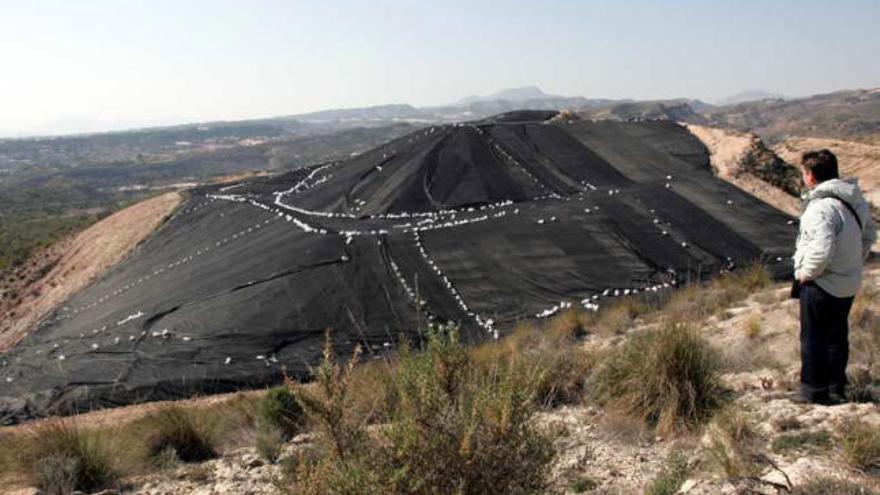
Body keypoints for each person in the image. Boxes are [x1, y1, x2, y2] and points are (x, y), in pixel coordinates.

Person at [793, 149, 876, 405]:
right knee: (836, 337)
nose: (803, 178)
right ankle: (835, 386)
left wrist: (805, 274)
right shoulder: (853, 200)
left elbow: (821, 249)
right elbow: (869, 235)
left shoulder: (821, 207)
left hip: (822, 283)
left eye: (804, 173)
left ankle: (814, 393)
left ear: (811, 176)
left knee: (813, 338)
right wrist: (851, 262)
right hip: (847, 282)